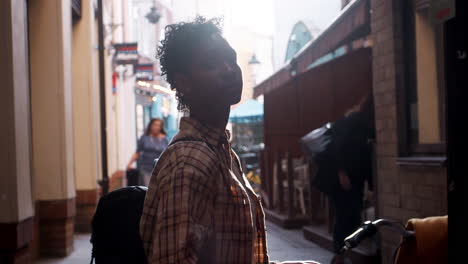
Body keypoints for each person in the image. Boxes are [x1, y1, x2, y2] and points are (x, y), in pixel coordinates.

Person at [139, 17, 317, 264]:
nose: (230, 69)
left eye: (231, 58)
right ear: (184, 83)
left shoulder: (220, 151)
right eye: (212, 64)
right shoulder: (190, 162)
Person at [329, 95, 375, 262]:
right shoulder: (353, 122)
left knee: (350, 214)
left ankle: (341, 252)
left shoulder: (361, 123)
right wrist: (342, 172)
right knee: (345, 215)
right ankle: (339, 253)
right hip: (343, 178)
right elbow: (338, 148)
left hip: (353, 177)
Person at [127, 118, 169, 186]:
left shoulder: (165, 139)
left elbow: (168, 154)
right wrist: (129, 164)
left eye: (159, 125)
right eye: (155, 125)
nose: (157, 127)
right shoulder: (144, 138)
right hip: (146, 168)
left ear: (161, 127)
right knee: (148, 188)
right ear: (151, 125)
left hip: (160, 169)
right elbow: (137, 152)